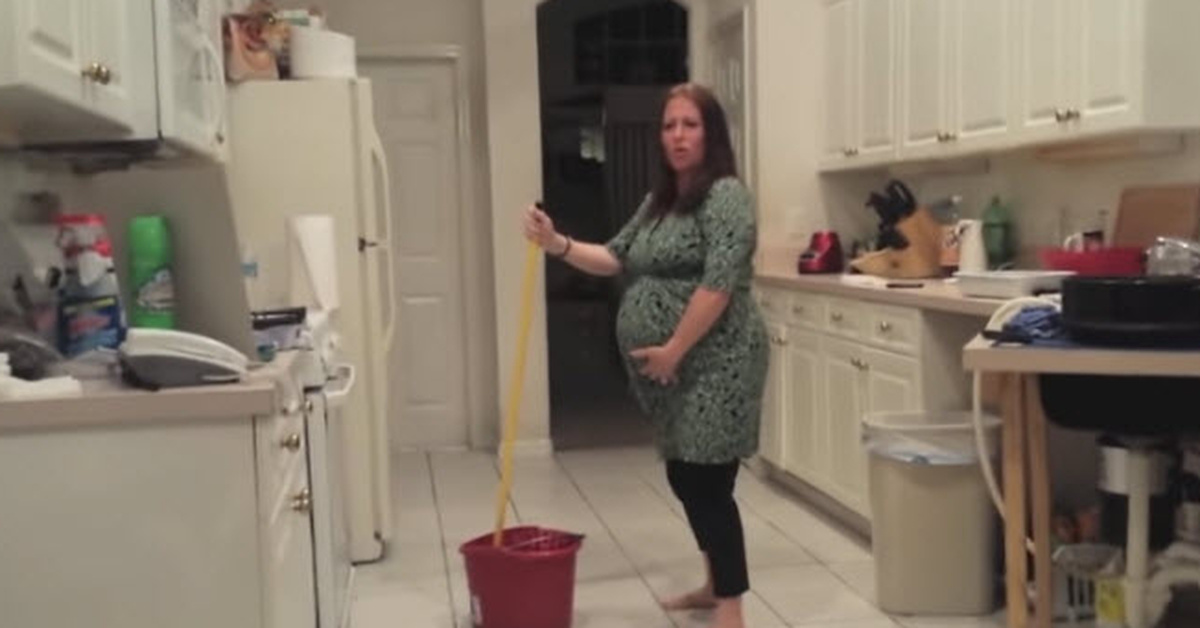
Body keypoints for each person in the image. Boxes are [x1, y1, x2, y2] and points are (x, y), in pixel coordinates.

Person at [524, 83, 768, 628]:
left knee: (708, 483)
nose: (678, 136)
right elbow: (614, 257)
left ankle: (731, 609)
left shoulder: (725, 195)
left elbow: (719, 284)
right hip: (676, 365)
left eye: (691, 125)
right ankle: (712, 584)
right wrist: (556, 244)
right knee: (686, 476)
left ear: (712, 134)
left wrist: (675, 350)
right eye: (669, 126)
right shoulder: (660, 202)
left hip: (719, 361)